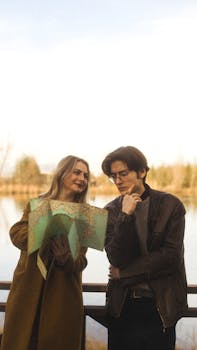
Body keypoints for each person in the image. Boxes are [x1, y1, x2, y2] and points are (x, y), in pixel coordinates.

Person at [101, 146, 188, 350]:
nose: (118, 181)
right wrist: (126, 216)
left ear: (142, 172)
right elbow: (116, 258)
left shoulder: (171, 206)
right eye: (113, 176)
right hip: (122, 307)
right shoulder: (111, 211)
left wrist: (124, 274)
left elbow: (169, 258)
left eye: (123, 173)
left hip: (160, 307)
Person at [1, 155, 90, 350]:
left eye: (85, 175)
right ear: (62, 173)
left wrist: (65, 258)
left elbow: (81, 262)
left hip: (62, 298)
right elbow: (16, 234)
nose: (82, 178)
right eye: (76, 172)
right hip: (27, 292)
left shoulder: (85, 215)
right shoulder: (38, 204)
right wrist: (43, 231)